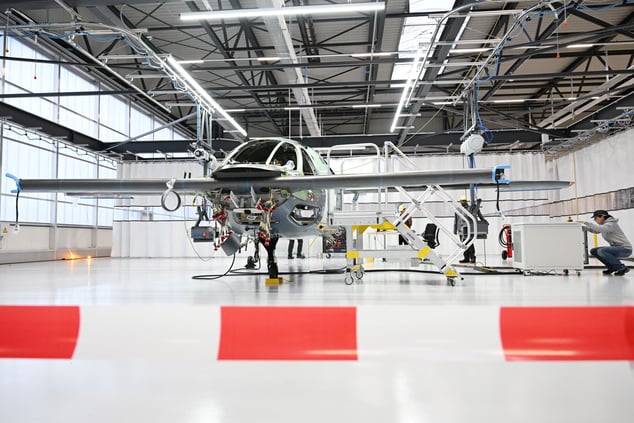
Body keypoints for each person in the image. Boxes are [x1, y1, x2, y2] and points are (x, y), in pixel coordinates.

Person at [583, 210, 631, 276]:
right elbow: (595, 230)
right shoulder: (605, 225)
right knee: (594, 251)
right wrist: (582, 227)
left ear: (602, 217)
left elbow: (599, 228)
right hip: (617, 248)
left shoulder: (611, 224)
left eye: (595, 218)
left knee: (602, 251)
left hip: (625, 249)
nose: (595, 220)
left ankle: (622, 268)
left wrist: (586, 223)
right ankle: (612, 267)